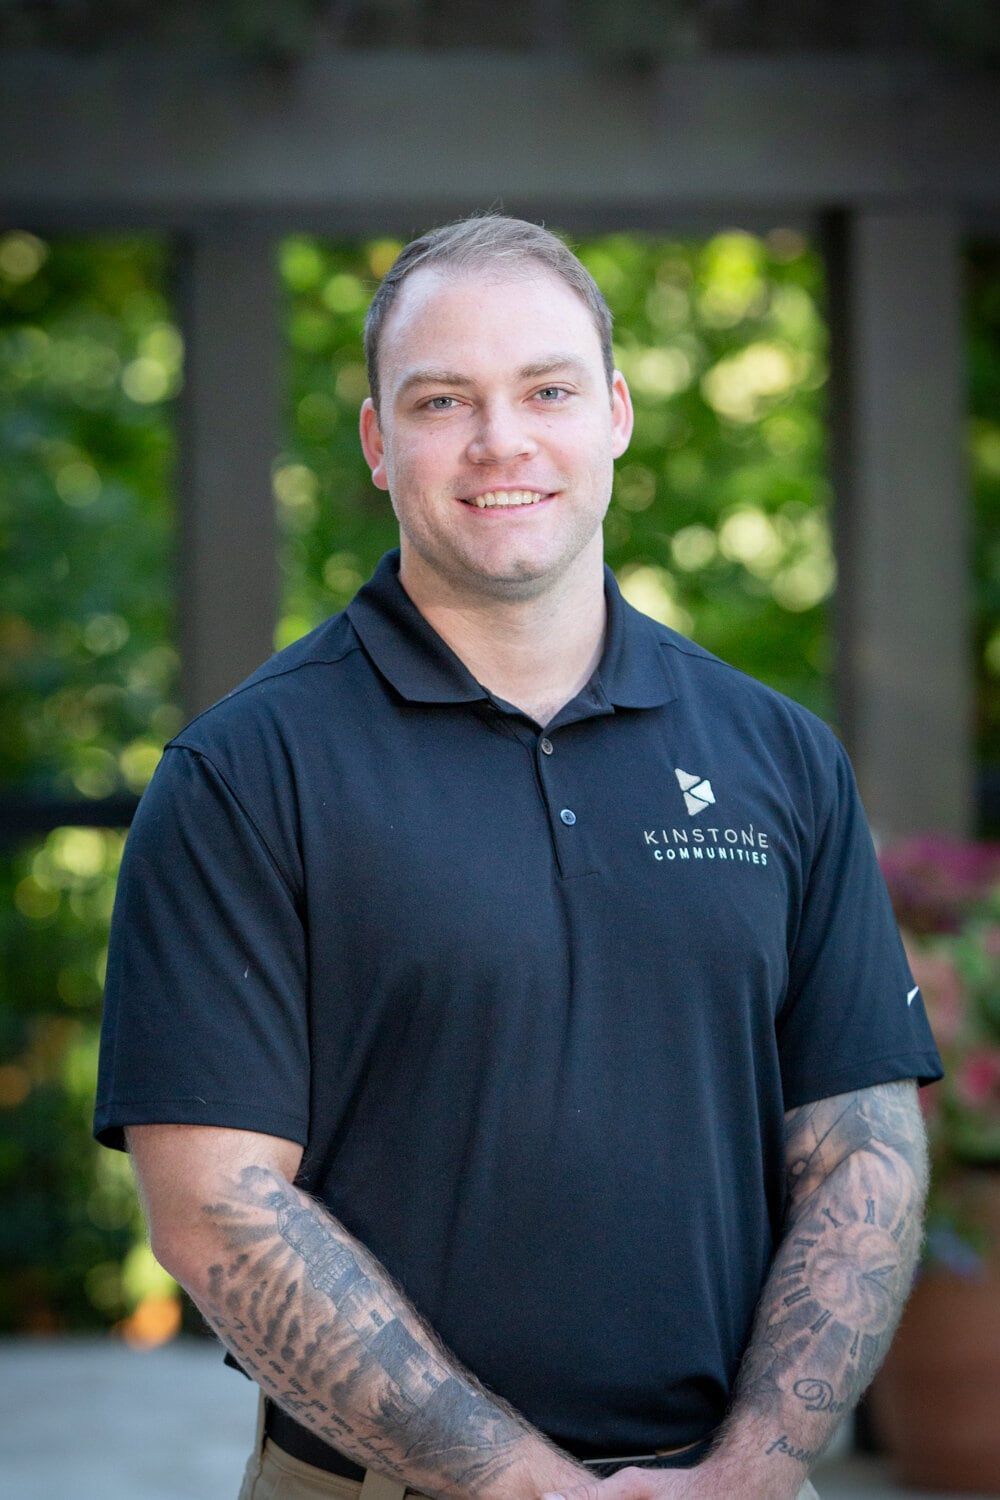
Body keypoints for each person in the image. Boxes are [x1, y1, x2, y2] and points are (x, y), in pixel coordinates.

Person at [94, 215, 943, 1500]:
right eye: (442, 400)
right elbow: (214, 1206)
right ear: (378, 443)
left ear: (614, 414)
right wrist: (526, 1485)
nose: (501, 440)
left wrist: (753, 1470)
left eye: (546, 390)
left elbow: (860, 1149)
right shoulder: (243, 775)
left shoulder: (780, 755)